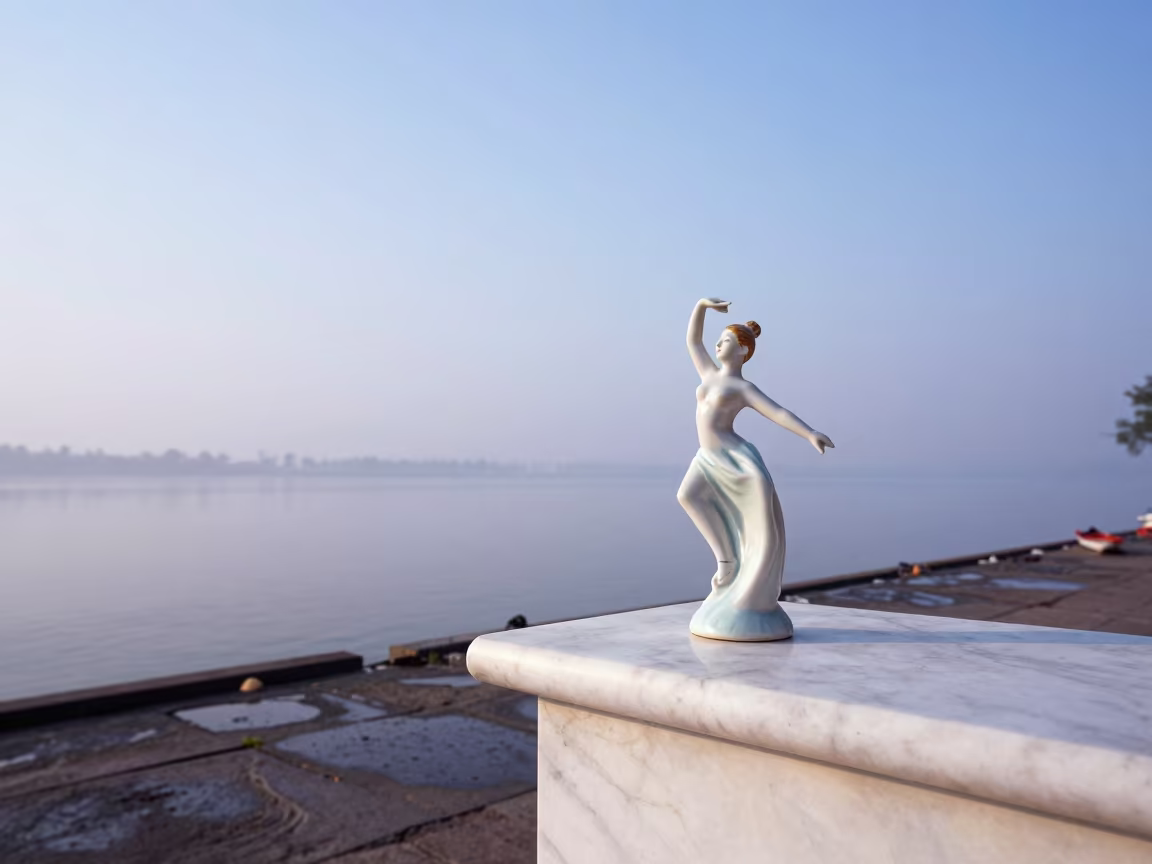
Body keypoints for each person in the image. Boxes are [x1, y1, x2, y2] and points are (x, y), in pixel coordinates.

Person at [678, 297, 834, 641]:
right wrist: (701, 306)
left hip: (731, 456)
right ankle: (726, 561)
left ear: (743, 352)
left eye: (728, 341)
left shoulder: (743, 388)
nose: (719, 344)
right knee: (687, 497)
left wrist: (810, 433)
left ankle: (737, 574)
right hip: (706, 456)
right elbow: (692, 340)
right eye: (719, 340)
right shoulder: (708, 373)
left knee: (747, 508)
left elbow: (777, 412)